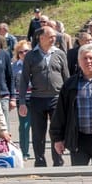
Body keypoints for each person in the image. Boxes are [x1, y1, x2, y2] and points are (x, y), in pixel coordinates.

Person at [19, 26, 69, 167]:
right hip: (37, 99)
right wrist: (22, 101)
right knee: (38, 133)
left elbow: (66, 78)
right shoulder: (31, 56)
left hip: (56, 98)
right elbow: (23, 79)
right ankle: (40, 160)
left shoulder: (60, 54)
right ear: (41, 38)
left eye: (55, 36)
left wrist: (69, 100)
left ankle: (58, 160)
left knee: (57, 131)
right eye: (51, 36)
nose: (54, 39)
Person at [11, 40, 31, 159]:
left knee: (38, 127)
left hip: (36, 98)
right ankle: (24, 152)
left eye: (26, 51)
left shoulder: (36, 63)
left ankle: (40, 152)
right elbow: (12, 83)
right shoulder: (14, 66)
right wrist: (13, 98)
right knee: (24, 126)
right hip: (22, 99)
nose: (24, 53)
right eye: (21, 52)